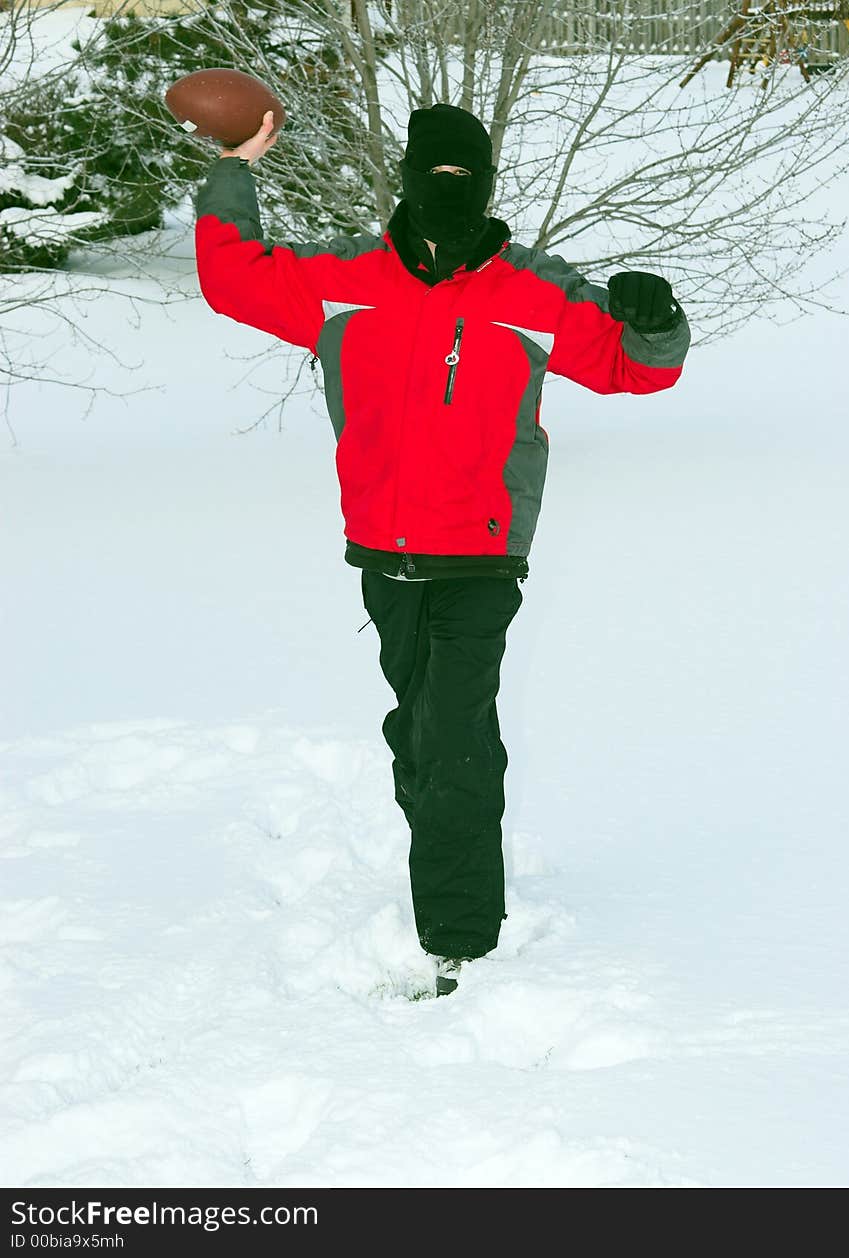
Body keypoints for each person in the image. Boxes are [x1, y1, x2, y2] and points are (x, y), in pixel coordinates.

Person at [194, 102, 691, 997]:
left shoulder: (535, 290)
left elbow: (640, 365)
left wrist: (657, 316)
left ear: (490, 187)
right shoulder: (347, 277)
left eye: (467, 178)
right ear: (409, 179)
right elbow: (233, 278)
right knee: (424, 732)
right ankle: (451, 835)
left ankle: (460, 937)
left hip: (482, 557)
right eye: (433, 175)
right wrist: (235, 165)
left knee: (454, 732)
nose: (447, 192)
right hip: (380, 552)